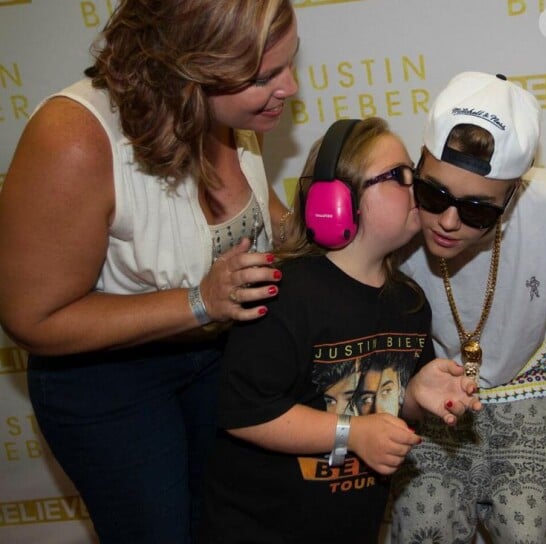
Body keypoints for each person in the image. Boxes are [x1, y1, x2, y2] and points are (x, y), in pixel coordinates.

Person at [0, 1, 299, 542]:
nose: (291, 88)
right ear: (189, 71)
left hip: (215, 359)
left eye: (289, 64)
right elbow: (32, 317)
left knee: (228, 523)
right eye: (265, 76)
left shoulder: (231, 111)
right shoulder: (73, 138)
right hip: (107, 381)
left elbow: (256, 218)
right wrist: (199, 302)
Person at [197, 117, 482, 543]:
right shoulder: (283, 292)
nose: (417, 188)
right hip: (258, 529)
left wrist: (417, 396)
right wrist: (352, 433)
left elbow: (385, 403)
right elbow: (245, 413)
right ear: (337, 200)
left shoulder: (409, 304)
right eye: (399, 177)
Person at [389, 71, 546, 544]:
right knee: (423, 530)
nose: (448, 222)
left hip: (527, 391)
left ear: (514, 195)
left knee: (527, 532)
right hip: (433, 398)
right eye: (433, 194)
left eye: (477, 209)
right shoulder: (391, 211)